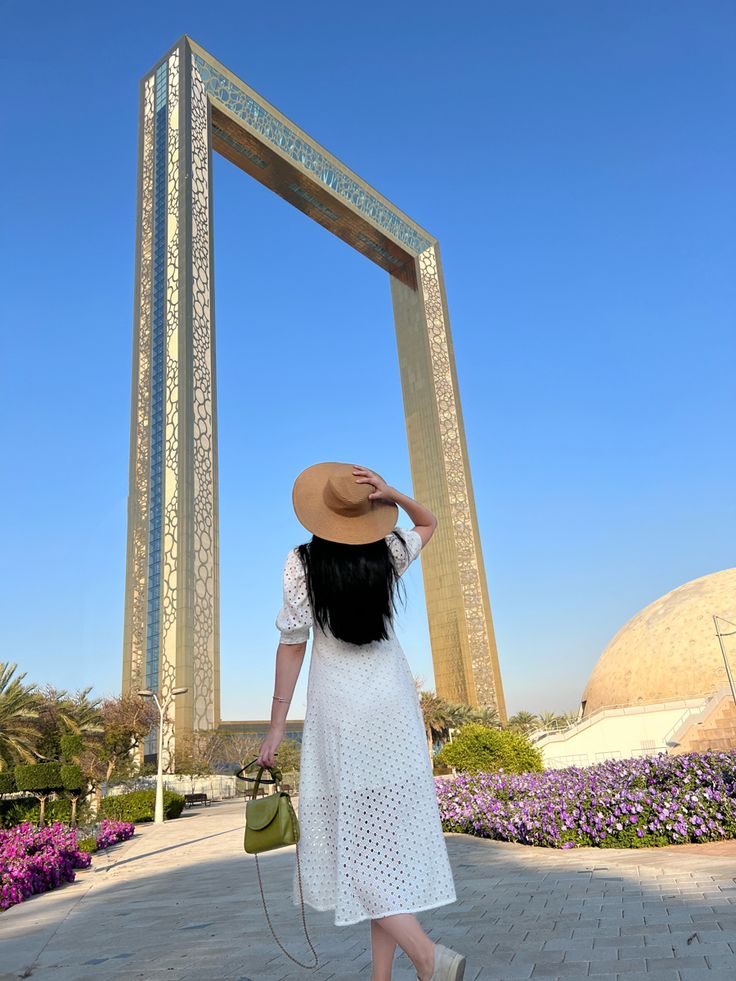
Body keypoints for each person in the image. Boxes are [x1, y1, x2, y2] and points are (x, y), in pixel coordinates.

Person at [257, 462, 466, 981]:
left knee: (359, 853)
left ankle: (426, 956)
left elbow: (291, 643)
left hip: (341, 718)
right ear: (365, 511)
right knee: (379, 853)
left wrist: (277, 724)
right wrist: (393, 493)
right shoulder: (387, 553)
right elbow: (429, 523)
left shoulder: (302, 564)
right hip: (393, 712)